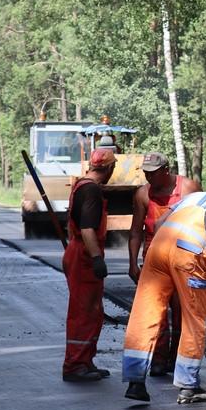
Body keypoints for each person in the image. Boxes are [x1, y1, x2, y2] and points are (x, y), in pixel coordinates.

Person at [122, 186, 206, 404]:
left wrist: (169, 266)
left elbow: (158, 224)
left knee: (145, 312)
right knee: (195, 320)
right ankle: (188, 387)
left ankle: (135, 381)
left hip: (158, 248)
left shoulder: (197, 197)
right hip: (189, 254)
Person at [127, 152, 201, 376]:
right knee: (155, 311)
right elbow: (135, 232)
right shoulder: (142, 195)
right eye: (146, 173)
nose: (148, 178)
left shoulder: (189, 188)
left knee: (181, 311)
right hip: (154, 261)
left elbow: (202, 224)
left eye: (153, 173)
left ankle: (177, 357)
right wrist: (132, 263)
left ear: (166, 170)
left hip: (182, 259)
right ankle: (158, 359)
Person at [62, 148, 116, 382]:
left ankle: (85, 360)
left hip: (77, 251)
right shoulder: (92, 190)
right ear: (109, 168)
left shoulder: (80, 185)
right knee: (84, 312)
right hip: (84, 255)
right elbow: (87, 229)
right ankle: (75, 365)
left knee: (92, 311)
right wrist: (96, 258)